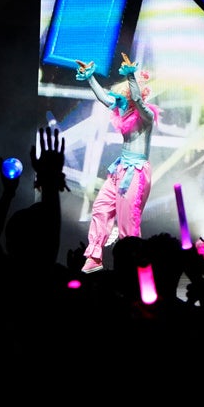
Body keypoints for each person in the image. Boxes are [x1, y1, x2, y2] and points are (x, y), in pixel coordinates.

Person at [75, 53, 159, 273]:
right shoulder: (123, 109)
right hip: (121, 168)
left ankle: (133, 268)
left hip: (136, 172)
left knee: (127, 221)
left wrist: (131, 76)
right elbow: (105, 98)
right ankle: (94, 257)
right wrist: (90, 77)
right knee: (101, 207)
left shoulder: (146, 115)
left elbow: (138, 101)